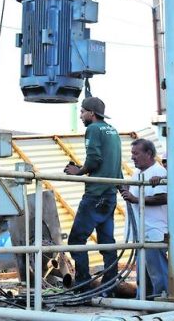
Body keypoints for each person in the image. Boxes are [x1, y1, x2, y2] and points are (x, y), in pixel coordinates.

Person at [64, 97, 123, 295]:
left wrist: (78, 172)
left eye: (82, 112)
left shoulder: (93, 130)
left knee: (76, 240)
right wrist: (122, 189)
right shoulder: (113, 132)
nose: (81, 116)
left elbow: (94, 159)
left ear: (91, 113)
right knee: (107, 242)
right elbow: (115, 163)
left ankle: (83, 286)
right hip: (109, 195)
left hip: (95, 195)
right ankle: (109, 286)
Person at [119, 139, 168, 298]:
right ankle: (144, 301)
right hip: (141, 232)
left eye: (136, 153)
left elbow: (163, 197)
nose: (132, 157)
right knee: (143, 273)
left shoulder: (158, 172)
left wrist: (136, 199)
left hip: (153, 231)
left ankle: (163, 300)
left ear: (148, 154)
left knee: (157, 272)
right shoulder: (138, 173)